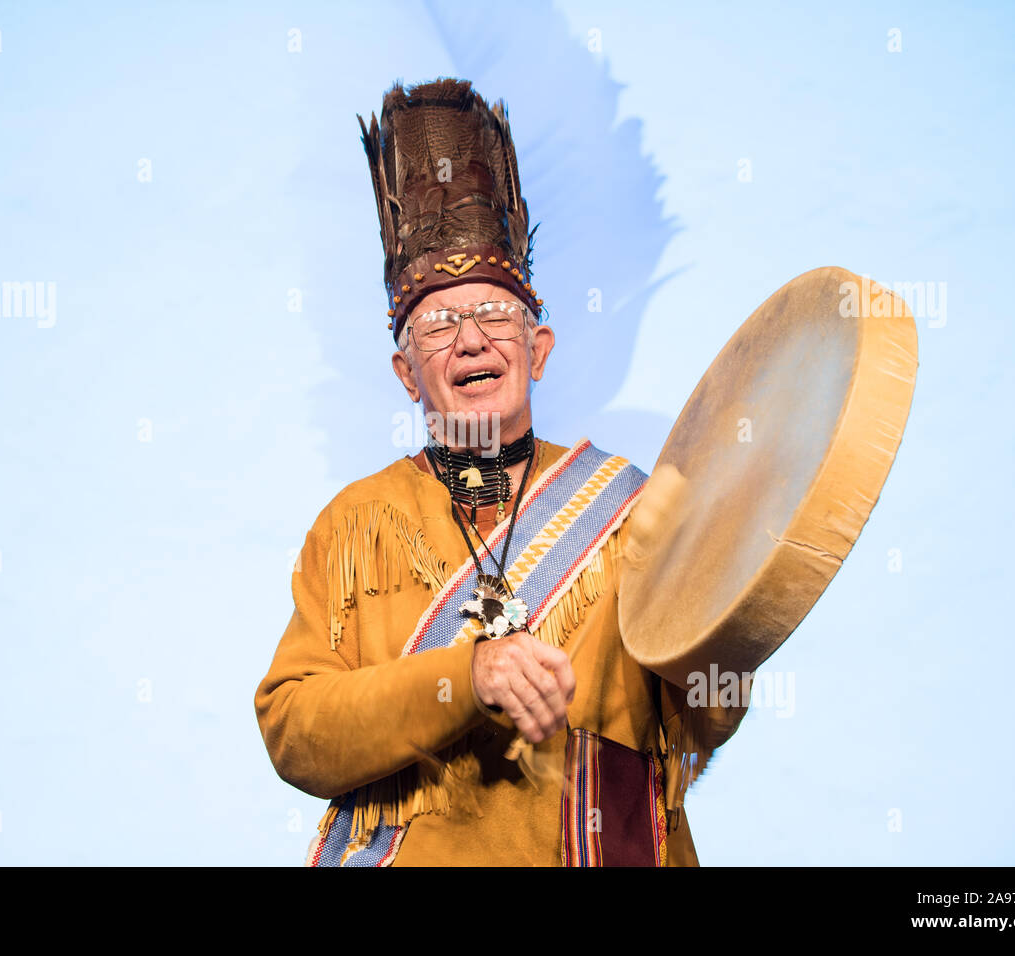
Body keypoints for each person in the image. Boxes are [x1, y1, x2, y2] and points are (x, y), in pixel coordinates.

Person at [254, 77, 749, 866]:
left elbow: (705, 720)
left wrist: (730, 617)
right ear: (406, 374)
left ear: (539, 352)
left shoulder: (636, 511)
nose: (474, 341)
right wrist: (467, 676)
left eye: (495, 316)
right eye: (441, 324)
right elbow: (295, 731)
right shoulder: (356, 524)